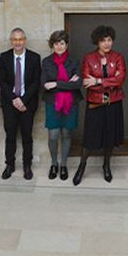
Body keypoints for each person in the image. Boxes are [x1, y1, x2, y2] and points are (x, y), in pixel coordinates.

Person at [73, 25, 126, 186]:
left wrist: (98, 80)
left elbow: (121, 79)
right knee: (90, 137)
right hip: (95, 103)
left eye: (109, 40)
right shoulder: (89, 58)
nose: (107, 44)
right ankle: (82, 166)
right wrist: (110, 81)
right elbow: (87, 83)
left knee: (110, 137)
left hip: (114, 103)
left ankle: (106, 165)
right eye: (103, 40)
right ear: (97, 42)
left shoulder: (118, 57)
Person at [0, 27, 41, 180]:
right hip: (9, 103)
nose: (18, 42)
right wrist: (14, 100)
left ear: (25, 40)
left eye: (20, 39)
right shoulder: (4, 57)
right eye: (15, 39)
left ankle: (27, 166)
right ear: (11, 41)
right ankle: (9, 164)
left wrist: (23, 100)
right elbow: (1, 81)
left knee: (27, 136)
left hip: (27, 104)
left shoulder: (35, 58)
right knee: (10, 135)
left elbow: (36, 82)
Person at [40, 30, 82, 181]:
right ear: (52, 45)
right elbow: (44, 84)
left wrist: (56, 83)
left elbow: (77, 84)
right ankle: (54, 163)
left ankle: (63, 165)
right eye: (56, 43)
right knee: (53, 135)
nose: (59, 46)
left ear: (66, 44)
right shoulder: (46, 62)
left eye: (62, 43)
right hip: (53, 103)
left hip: (71, 103)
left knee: (66, 134)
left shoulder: (74, 61)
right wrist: (67, 83)